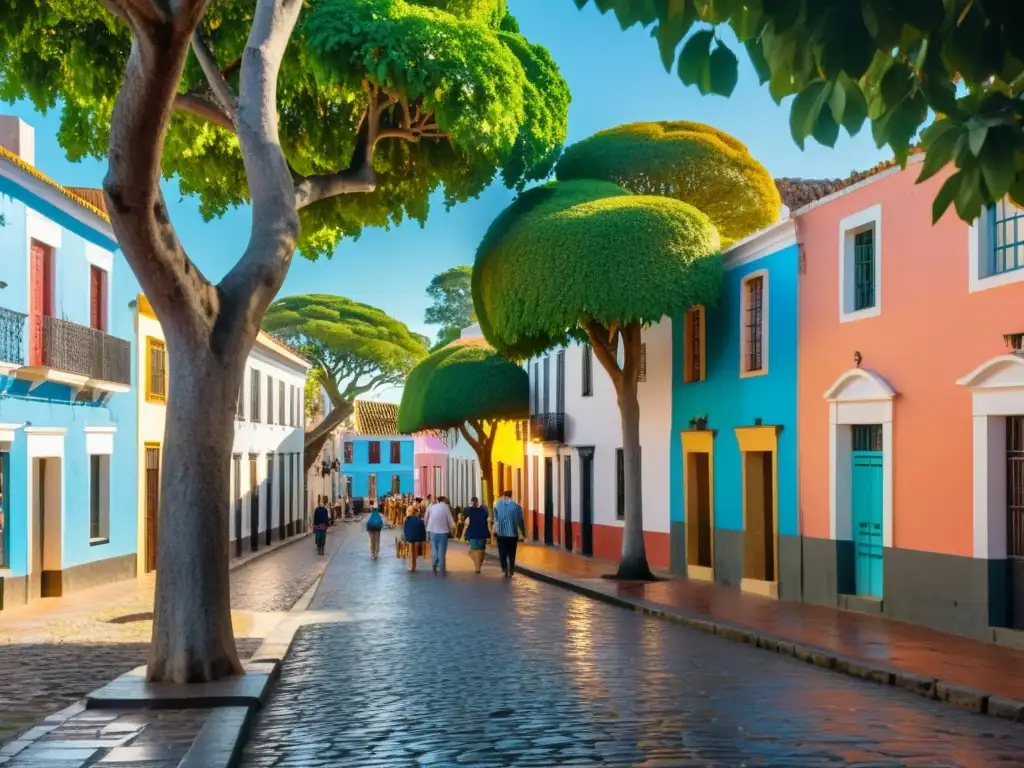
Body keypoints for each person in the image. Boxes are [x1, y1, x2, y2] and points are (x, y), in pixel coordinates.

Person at [493, 490, 525, 578]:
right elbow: (519, 521)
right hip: (512, 534)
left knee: (502, 552)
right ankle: (511, 570)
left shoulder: (497, 504)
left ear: (503, 495)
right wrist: (522, 533)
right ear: (511, 495)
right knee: (512, 553)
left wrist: (496, 529)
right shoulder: (516, 506)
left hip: (501, 533)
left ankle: (504, 569)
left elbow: (495, 519)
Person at [424, 496, 454, 573]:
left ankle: (434, 563)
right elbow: (450, 519)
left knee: (434, 548)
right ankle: (442, 569)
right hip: (443, 532)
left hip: (432, 531)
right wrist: (453, 528)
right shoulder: (445, 507)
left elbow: (425, 518)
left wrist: (427, 528)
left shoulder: (431, 506)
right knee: (442, 551)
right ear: (444, 501)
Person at [462, 496, 490, 574]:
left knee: (474, 550)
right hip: (482, 533)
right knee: (481, 550)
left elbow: (465, 512)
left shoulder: (469, 511)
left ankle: (477, 567)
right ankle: (478, 567)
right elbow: (487, 515)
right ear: (477, 502)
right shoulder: (483, 511)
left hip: (472, 533)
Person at [403, 505, 427, 572]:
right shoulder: (418, 519)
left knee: (411, 551)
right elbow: (422, 529)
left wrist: (405, 538)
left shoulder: (407, 519)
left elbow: (405, 530)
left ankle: (411, 566)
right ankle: (414, 565)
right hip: (418, 538)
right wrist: (424, 539)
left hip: (410, 538)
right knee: (414, 551)